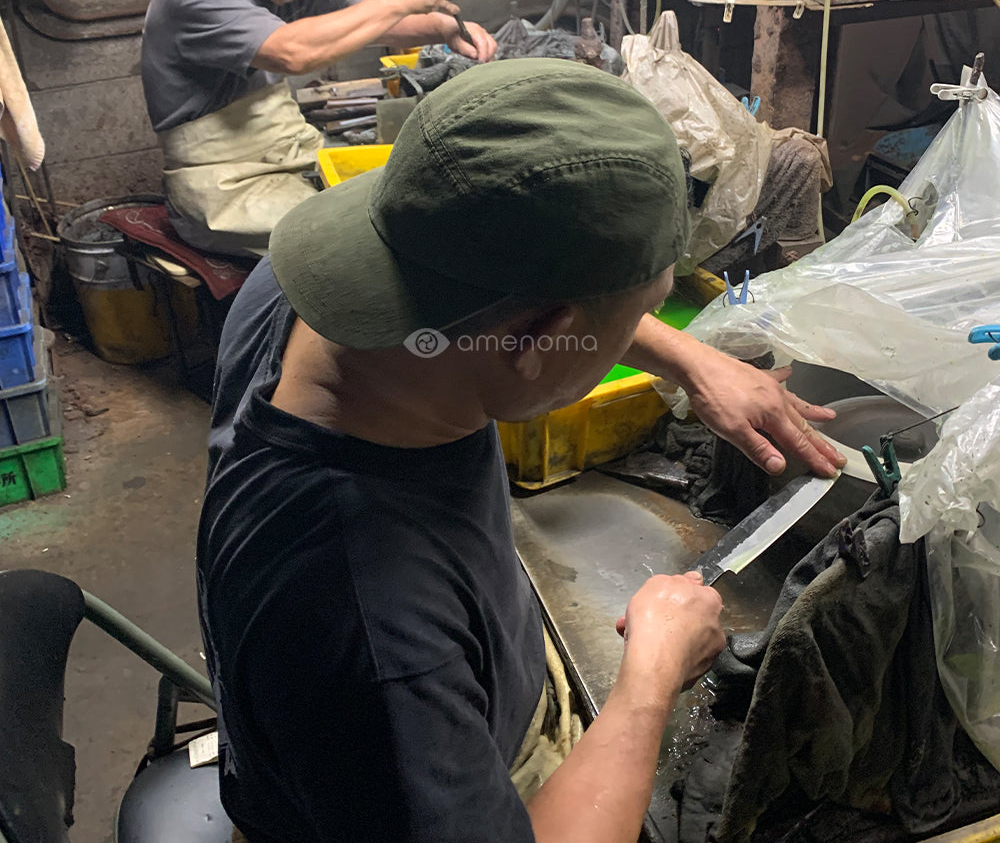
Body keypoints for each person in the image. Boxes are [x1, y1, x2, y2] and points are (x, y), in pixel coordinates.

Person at [198, 59, 845, 843]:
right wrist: (653, 677)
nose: (647, 330)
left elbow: (506, 294)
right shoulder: (378, 634)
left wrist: (691, 359)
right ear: (539, 337)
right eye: (640, 311)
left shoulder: (312, 287)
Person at [141, 0, 496, 257]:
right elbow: (291, 53)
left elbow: (370, 19)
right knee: (367, 238)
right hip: (223, 188)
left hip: (289, 156)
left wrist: (441, 26)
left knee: (416, 198)